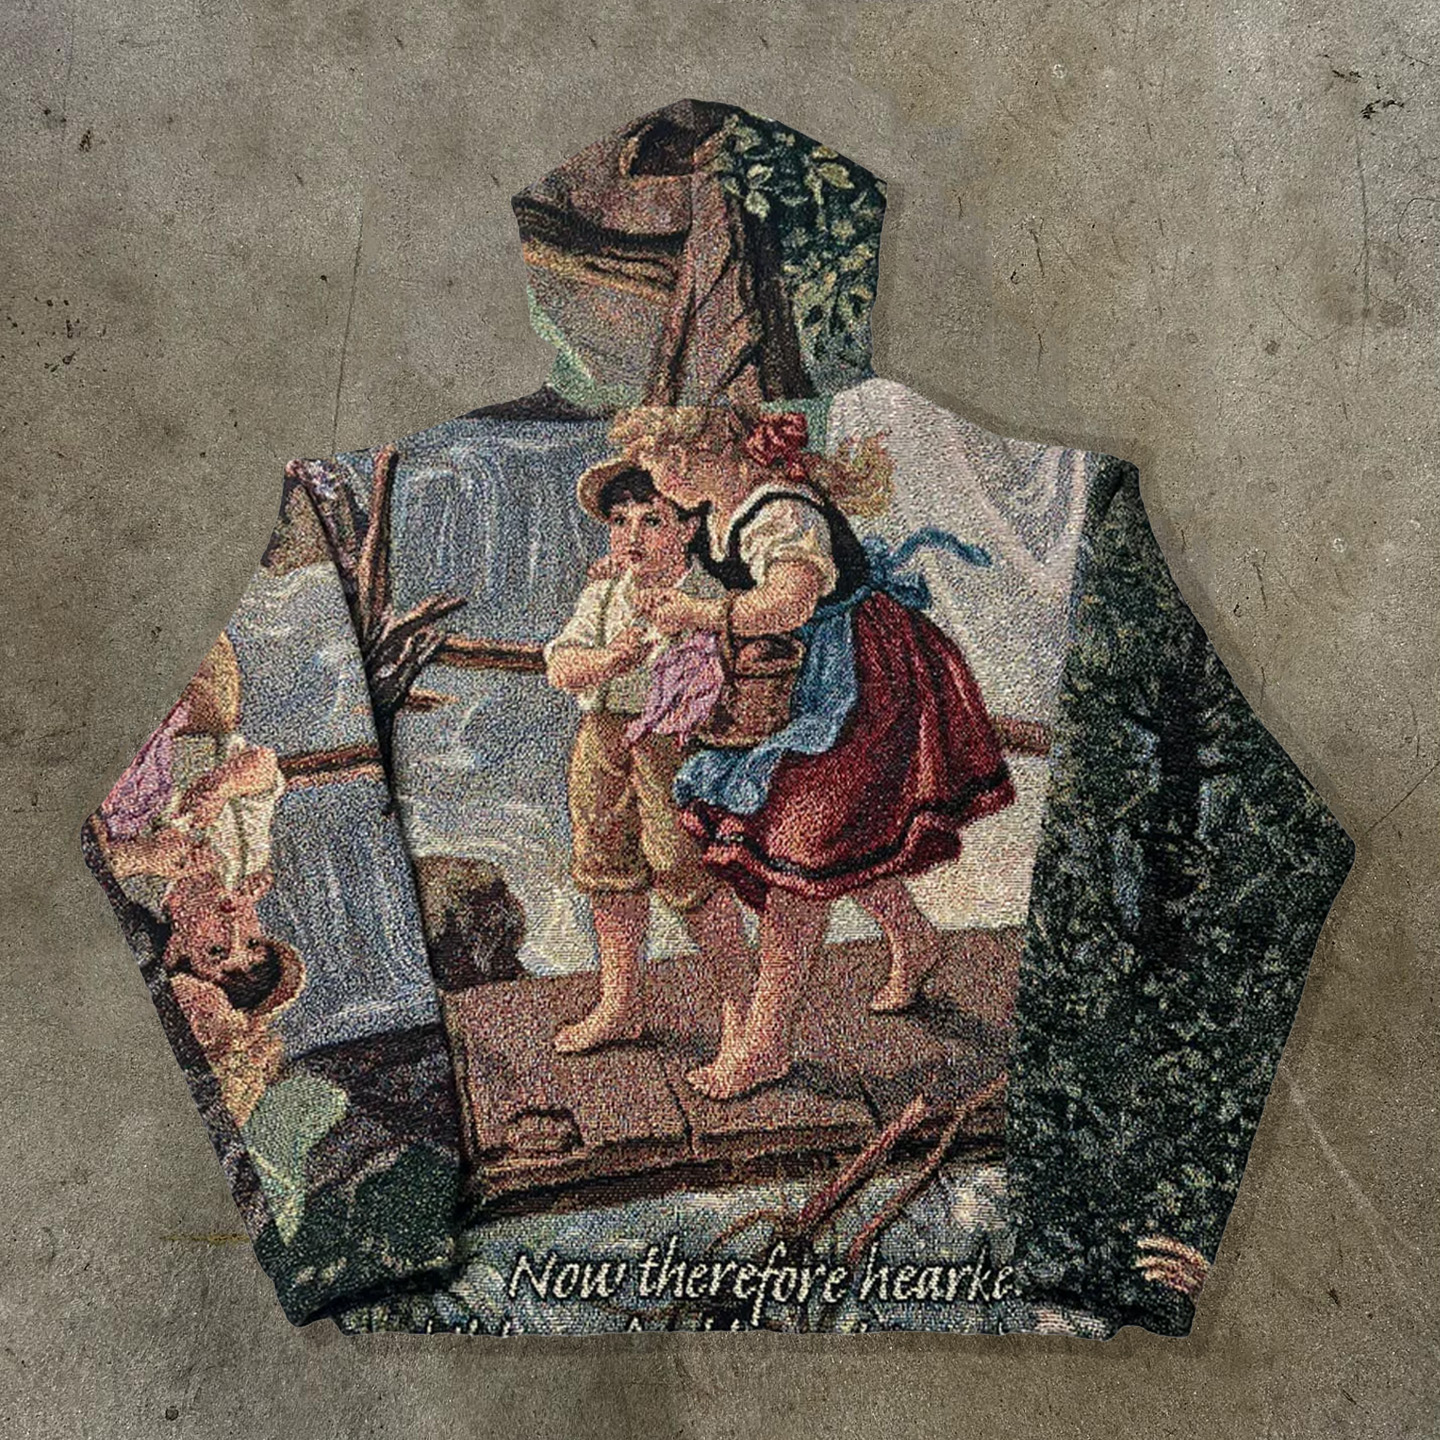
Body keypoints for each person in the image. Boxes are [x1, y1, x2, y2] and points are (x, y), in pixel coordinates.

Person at [612, 404, 1016, 1099]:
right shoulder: (715, 511)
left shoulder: (781, 511)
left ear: (703, 453)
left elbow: (789, 604)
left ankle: (767, 1044)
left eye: (661, 465)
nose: (656, 481)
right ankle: (914, 936)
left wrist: (702, 616)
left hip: (861, 678)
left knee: (797, 849)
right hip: (802, 679)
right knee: (826, 839)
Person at [545, 464, 751, 1055]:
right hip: (604, 736)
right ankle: (620, 1003)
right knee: (604, 860)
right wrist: (611, 659)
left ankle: (740, 1005)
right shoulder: (605, 593)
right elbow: (561, 666)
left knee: (685, 865)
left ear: (688, 528)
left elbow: (721, 679)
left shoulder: (707, 598)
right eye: (620, 521)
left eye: (652, 520)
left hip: (673, 745)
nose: (631, 535)